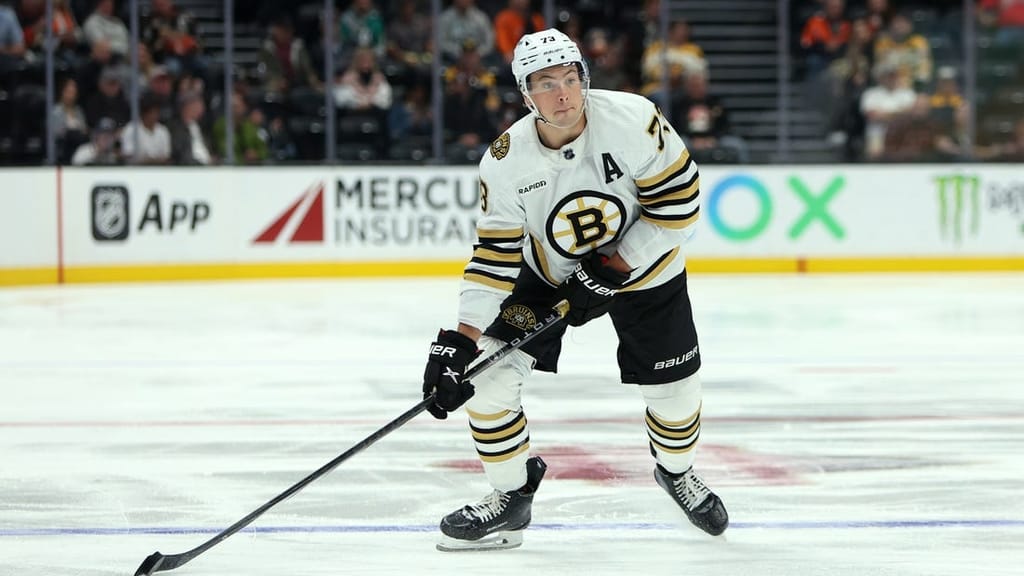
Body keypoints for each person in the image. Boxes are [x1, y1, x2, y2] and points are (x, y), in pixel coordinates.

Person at [420, 28, 728, 552]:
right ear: (524, 94)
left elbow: (680, 209)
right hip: (548, 278)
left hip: (647, 271)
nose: (562, 93)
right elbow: (494, 257)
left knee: (677, 395)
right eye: (545, 84)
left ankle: (676, 472)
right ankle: (511, 495)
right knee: (487, 380)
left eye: (570, 78)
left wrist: (613, 267)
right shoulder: (504, 160)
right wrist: (462, 339)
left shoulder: (633, 119)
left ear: (584, 78)